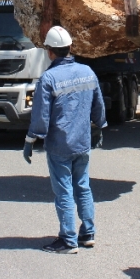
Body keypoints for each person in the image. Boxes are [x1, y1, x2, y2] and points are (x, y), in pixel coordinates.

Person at [23, 26, 107, 254]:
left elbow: (40, 117)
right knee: (83, 186)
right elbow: (98, 106)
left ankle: (68, 241)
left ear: (49, 51)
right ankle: (88, 234)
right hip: (82, 142)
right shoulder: (88, 72)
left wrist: (30, 140)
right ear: (70, 47)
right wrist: (100, 127)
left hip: (60, 145)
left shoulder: (48, 78)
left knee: (64, 191)